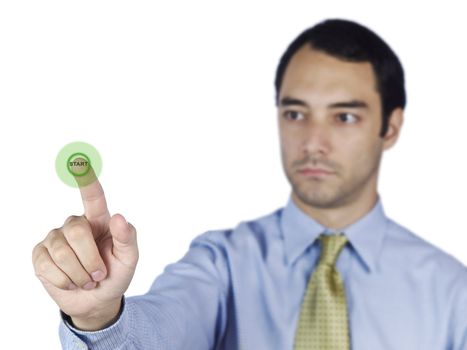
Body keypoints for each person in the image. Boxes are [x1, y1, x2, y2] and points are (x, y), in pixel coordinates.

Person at [32, 18, 467, 350]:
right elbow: (162, 330)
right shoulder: (221, 264)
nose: (314, 143)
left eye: (345, 116)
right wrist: (102, 317)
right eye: (295, 113)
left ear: (390, 127)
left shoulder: (452, 293)